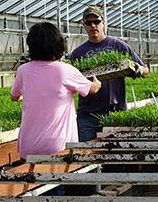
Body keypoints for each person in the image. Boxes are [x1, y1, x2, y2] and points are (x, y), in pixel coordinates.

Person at [10, 22, 101, 159]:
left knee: (31, 178)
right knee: (59, 179)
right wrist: (97, 82)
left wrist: (29, 96)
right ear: (58, 44)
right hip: (59, 146)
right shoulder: (65, 70)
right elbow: (92, 89)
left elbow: (14, 97)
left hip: (29, 146)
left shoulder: (23, 70)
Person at [70, 6, 149, 142]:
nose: (93, 25)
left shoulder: (118, 46)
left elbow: (146, 71)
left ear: (103, 23)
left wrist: (138, 69)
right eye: (88, 23)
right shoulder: (77, 54)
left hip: (114, 111)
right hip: (87, 115)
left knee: (114, 151)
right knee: (84, 153)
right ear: (84, 26)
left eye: (97, 21)